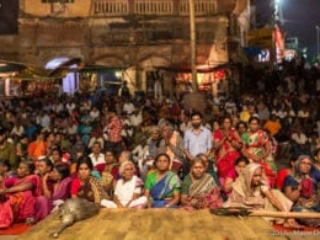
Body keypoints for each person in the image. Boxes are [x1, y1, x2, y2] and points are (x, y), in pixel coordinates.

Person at [227, 163, 302, 229]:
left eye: (259, 175)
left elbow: (273, 199)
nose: (258, 178)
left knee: (275, 193)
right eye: (255, 176)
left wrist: (287, 214)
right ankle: (286, 219)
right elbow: (235, 204)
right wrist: (253, 202)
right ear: (249, 175)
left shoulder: (261, 185)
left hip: (260, 209)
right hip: (246, 211)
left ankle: (288, 219)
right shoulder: (239, 185)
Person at [0, 161, 42, 228]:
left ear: (27, 172)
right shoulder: (14, 179)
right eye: (18, 168)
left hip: (24, 203)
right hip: (11, 201)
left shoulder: (33, 178)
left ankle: (26, 217)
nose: (17, 170)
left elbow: (26, 187)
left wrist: (6, 191)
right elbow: (4, 184)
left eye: (20, 168)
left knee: (27, 193)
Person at [283, 155, 320, 227]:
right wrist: (300, 188)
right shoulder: (290, 178)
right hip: (299, 207)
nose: (306, 166)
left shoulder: (313, 180)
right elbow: (289, 199)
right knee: (302, 212)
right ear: (298, 164)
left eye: (309, 164)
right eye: (303, 163)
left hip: (314, 206)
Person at [241, 117, 274, 187]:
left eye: (256, 124)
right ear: (248, 124)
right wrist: (250, 157)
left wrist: (261, 158)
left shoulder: (262, 134)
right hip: (249, 157)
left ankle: (265, 188)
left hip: (261, 156)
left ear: (258, 125)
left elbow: (268, 149)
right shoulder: (245, 135)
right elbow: (243, 149)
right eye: (252, 124)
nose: (254, 126)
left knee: (271, 169)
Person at [213, 117, 242, 185]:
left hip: (234, 159)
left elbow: (239, 146)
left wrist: (230, 139)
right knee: (224, 178)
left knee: (235, 176)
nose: (227, 124)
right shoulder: (217, 133)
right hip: (222, 159)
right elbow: (216, 147)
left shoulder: (234, 132)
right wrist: (224, 138)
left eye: (228, 122)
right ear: (222, 124)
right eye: (225, 122)